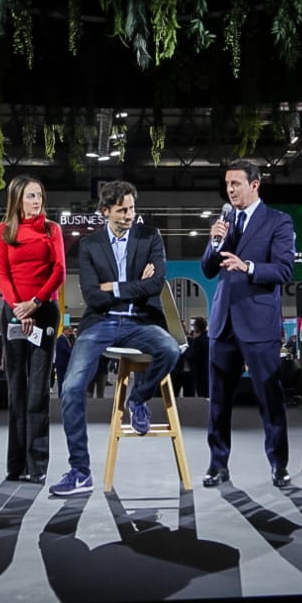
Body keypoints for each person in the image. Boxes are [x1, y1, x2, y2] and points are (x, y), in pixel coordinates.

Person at [49, 180, 180, 497]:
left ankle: (137, 399)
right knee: (70, 387)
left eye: (132, 208)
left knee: (171, 349)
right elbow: (93, 297)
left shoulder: (150, 236)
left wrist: (116, 287)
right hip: (100, 324)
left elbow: (157, 283)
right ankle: (80, 471)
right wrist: (134, 285)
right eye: (122, 210)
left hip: (141, 321)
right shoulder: (91, 245)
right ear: (105, 211)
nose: (130, 215)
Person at [201, 159, 294, 488]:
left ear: (255, 185)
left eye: (236, 183)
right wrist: (214, 241)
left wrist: (249, 267)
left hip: (258, 322)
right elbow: (208, 269)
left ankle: (279, 464)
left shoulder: (278, 222)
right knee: (219, 402)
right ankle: (217, 465)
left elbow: (284, 270)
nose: (230, 189)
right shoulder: (224, 220)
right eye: (227, 184)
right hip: (223, 322)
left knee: (269, 397)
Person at [0, 175, 66, 485]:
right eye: (31, 196)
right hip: (13, 313)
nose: (37, 201)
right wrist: (17, 307)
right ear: (17, 200)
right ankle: (15, 464)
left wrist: (34, 304)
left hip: (44, 313)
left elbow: (59, 270)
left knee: (37, 392)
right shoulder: (2, 231)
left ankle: (37, 466)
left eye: (39, 195)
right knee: (16, 390)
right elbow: (1, 273)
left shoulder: (52, 230)